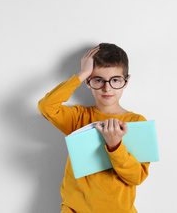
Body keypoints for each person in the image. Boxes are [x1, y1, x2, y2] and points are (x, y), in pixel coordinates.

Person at [38, 43, 150, 213]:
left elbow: (136, 177)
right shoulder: (78, 117)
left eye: (115, 80)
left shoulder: (136, 122)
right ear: (88, 82)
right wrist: (81, 74)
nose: (107, 88)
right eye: (98, 80)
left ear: (126, 81)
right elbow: (47, 106)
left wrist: (115, 147)